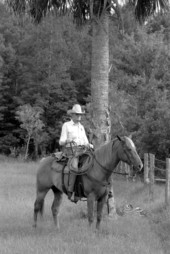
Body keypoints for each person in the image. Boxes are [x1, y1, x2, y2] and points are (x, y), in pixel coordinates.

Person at [59, 104, 93, 202]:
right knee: (74, 167)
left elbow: (85, 141)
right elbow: (61, 141)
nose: (79, 116)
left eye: (80, 115)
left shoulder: (81, 127)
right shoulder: (66, 125)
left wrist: (90, 145)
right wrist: (67, 140)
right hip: (71, 151)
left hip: (83, 150)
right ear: (72, 115)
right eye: (77, 114)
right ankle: (71, 192)